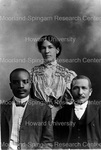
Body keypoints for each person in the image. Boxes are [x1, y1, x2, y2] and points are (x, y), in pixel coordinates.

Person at [1, 68, 53, 150]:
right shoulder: (1, 109)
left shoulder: (43, 109)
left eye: (25, 82)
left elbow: (48, 141)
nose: (21, 86)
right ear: (11, 86)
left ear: (30, 84)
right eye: (16, 82)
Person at [30, 35, 76, 121]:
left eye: (50, 47)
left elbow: (72, 102)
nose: (47, 51)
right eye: (43, 48)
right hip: (38, 118)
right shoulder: (33, 73)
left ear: (57, 50)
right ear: (40, 50)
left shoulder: (67, 74)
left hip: (60, 119)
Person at [54, 75, 101, 149]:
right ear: (70, 91)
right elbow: (55, 138)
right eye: (76, 88)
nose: (80, 92)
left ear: (90, 92)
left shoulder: (99, 111)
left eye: (84, 88)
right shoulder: (62, 113)